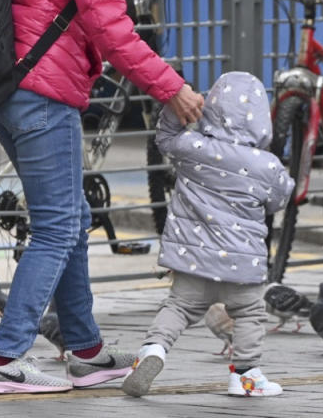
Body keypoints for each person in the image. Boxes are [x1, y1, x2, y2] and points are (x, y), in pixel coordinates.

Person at [0, 0, 205, 395]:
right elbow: (112, 27)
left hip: (9, 88)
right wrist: (171, 88)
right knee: (57, 226)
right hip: (43, 95)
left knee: (69, 218)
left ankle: (87, 350)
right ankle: (6, 359)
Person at [121, 71, 294, 398]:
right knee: (250, 314)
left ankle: (153, 350)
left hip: (193, 259)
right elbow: (278, 200)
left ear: (210, 109)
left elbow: (165, 137)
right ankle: (245, 376)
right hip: (242, 267)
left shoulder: (192, 148)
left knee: (178, 307)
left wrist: (179, 102)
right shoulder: (267, 166)